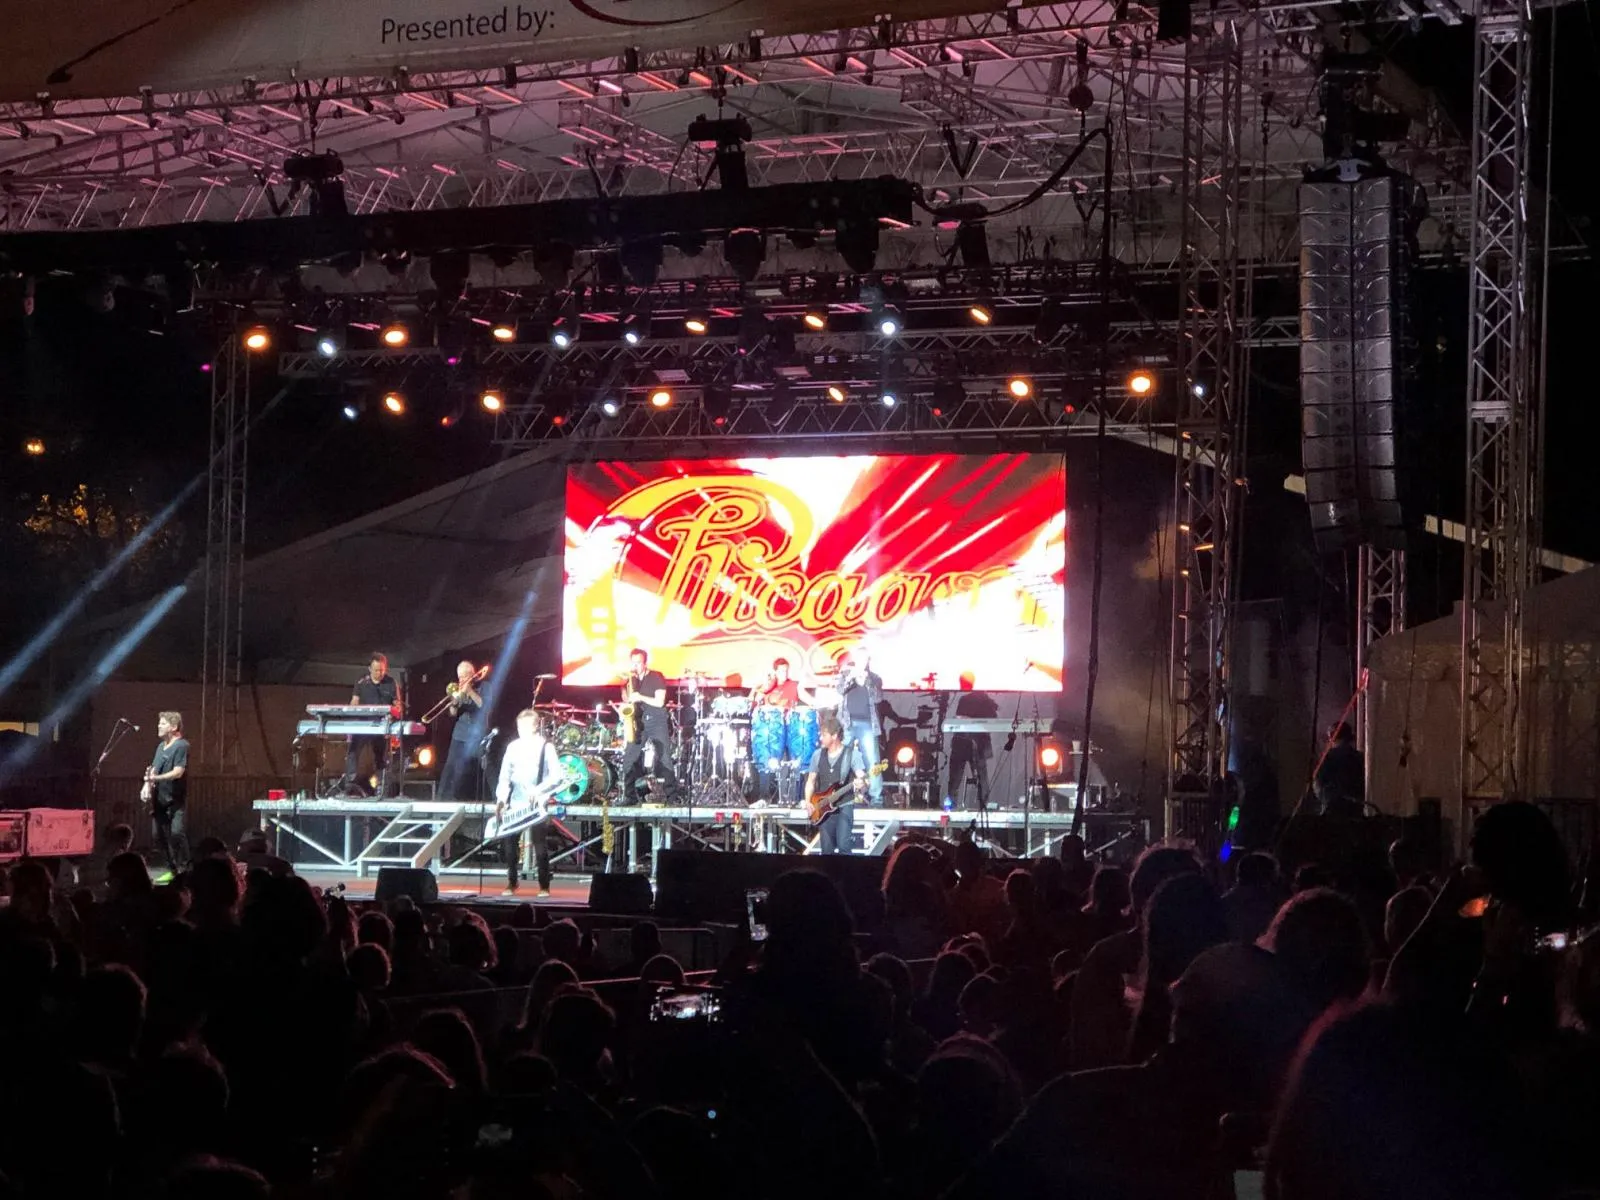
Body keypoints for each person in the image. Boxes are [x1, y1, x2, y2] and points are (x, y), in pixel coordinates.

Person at [494, 708, 564, 897]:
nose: (520, 730)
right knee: (510, 844)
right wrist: (501, 800)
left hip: (537, 803)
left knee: (539, 845)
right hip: (516, 802)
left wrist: (539, 790)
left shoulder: (546, 746)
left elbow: (557, 776)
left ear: (534, 726)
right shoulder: (513, 747)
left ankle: (544, 885)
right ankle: (512, 881)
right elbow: (504, 776)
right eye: (519, 727)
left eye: (524, 726)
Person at [341, 652, 402, 797]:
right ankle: (350, 785)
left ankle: (383, 788)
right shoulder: (362, 682)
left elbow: (398, 705)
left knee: (381, 757)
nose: (379, 673)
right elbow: (354, 702)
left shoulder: (391, 683)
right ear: (370, 669)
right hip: (363, 724)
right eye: (376, 670)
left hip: (382, 725)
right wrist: (351, 709)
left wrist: (394, 712)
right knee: (353, 752)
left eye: (382, 670)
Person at [619, 648, 673, 803]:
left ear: (645, 663)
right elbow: (628, 700)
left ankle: (671, 796)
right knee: (630, 757)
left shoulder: (656, 677)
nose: (635, 666)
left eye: (638, 663)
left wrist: (640, 697)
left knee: (664, 757)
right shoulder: (632, 680)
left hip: (657, 721)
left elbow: (659, 701)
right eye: (633, 663)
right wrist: (624, 687)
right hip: (639, 722)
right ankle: (629, 796)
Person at [804, 715, 863, 854]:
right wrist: (808, 802)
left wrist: (862, 784)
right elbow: (811, 781)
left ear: (835, 735)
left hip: (844, 805)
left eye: (824, 735)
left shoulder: (852, 754)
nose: (820, 738)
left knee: (844, 846)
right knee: (826, 849)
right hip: (824, 807)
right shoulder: (817, 755)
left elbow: (861, 776)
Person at [142, 711, 190, 874]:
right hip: (159, 800)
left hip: (175, 800)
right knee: (159, 837)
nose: (158, 726)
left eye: (162, 723)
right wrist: (146, 786)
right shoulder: (160, 747)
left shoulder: (182, 745)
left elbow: (178, 772)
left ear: (173, 727)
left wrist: (156, 778)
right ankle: (172, 867)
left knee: (176, 833)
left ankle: (185, 866)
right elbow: (152, 770)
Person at [836, 649, 884, 807]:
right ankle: (838, 795)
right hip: (847, 723)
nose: (861, 661)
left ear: (868, 660)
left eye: (864, 659)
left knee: (872, 760)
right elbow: (839, 690)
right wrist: (851, 677)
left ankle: (876, 797)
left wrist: (866, 682)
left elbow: (878, 698)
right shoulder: (845, 674)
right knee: (842, 759)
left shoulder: (875, 678)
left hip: (867, 724)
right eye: (859, 658)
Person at [946, 679, 998, 807]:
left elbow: (960, 717)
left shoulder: (967, 699)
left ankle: (951, 805)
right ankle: (983, 804)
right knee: (980, 776)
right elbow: (992, 720)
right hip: (974, 743)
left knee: (956, 778)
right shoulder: (987, 702)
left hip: (965, 742)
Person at [441, 660, 486, 799]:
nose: (461, 680)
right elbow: (453, 714)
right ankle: (442, 798)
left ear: (472, 674)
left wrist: (470, 691)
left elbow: (484, 705)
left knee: (488, 766)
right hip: (460, 734)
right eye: (459, 677)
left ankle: (497, 798)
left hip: (478, 734)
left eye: (464, 676)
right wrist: (453, 703)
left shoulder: (485, 686)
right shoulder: (459, 690)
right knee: (450, 767)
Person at [1314, 721, 1364, 817]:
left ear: (1332, 737)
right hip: (1356, 811)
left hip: (1332, 809)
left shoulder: (1327, 758)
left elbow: (1318, 784)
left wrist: (1327, 799)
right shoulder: (1359, 758)